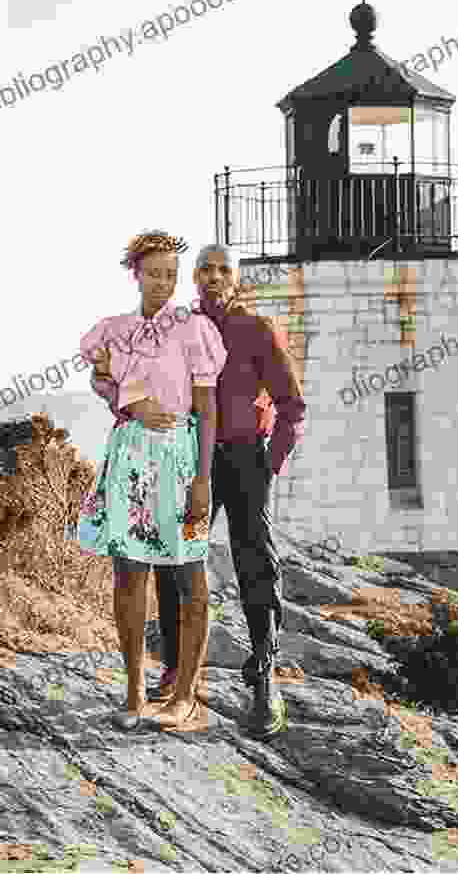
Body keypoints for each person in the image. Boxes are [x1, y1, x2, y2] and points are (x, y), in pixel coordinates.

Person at [90, 244, 306, 739]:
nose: (212, 276)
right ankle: (172, 673)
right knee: (173, 562)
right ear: (195, 277)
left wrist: (268, 466)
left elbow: (293, 405)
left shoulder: (256, 329)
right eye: (205, 269)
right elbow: (124, 374)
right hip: (190, 459)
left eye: (222, 270)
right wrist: (126, 400)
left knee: (255, 560)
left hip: (246, 458)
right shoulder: (178, 324)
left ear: (234, 278)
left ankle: (264, 676)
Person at [78, 229, 226, 731]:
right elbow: (101, 379)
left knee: (190, 576)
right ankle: (134, 693)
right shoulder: (114, 329)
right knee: (129, 575)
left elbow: (207, 410)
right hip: (130, 457)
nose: (163, 283)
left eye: (171, 274)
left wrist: (204, 480)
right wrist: (128, 400)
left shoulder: (194, 330)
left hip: (180, 459)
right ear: (135, 273)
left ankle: (185, 694)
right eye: (154, 273)